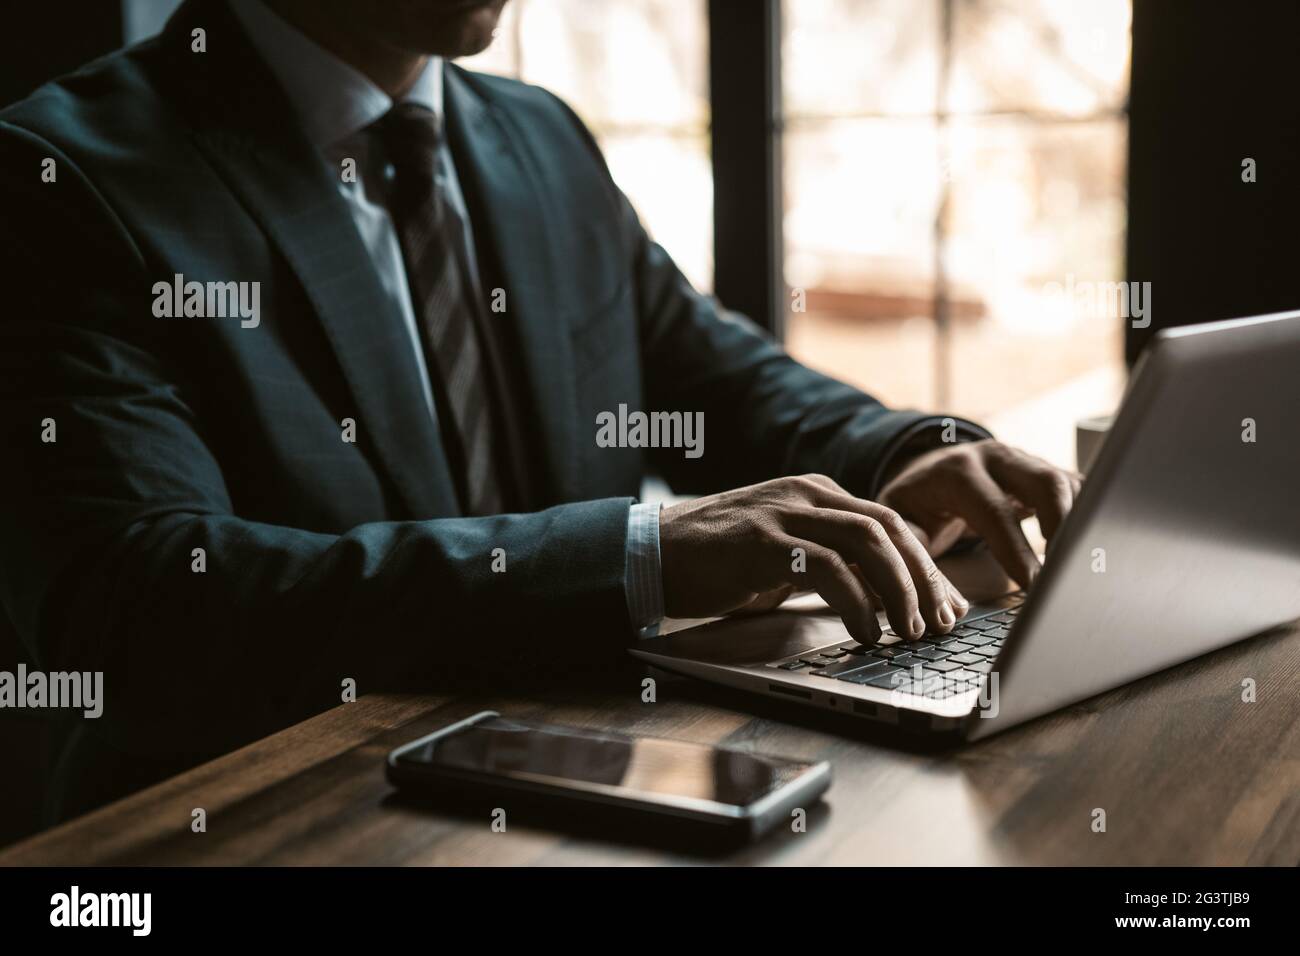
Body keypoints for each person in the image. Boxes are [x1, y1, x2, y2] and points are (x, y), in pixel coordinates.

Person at [0, 0, 1078, 818]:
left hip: (570, 798)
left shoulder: (537, 137)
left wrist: (900, 450)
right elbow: (136, 606)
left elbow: (719, 377)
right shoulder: (62, 179)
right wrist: (639, 551)